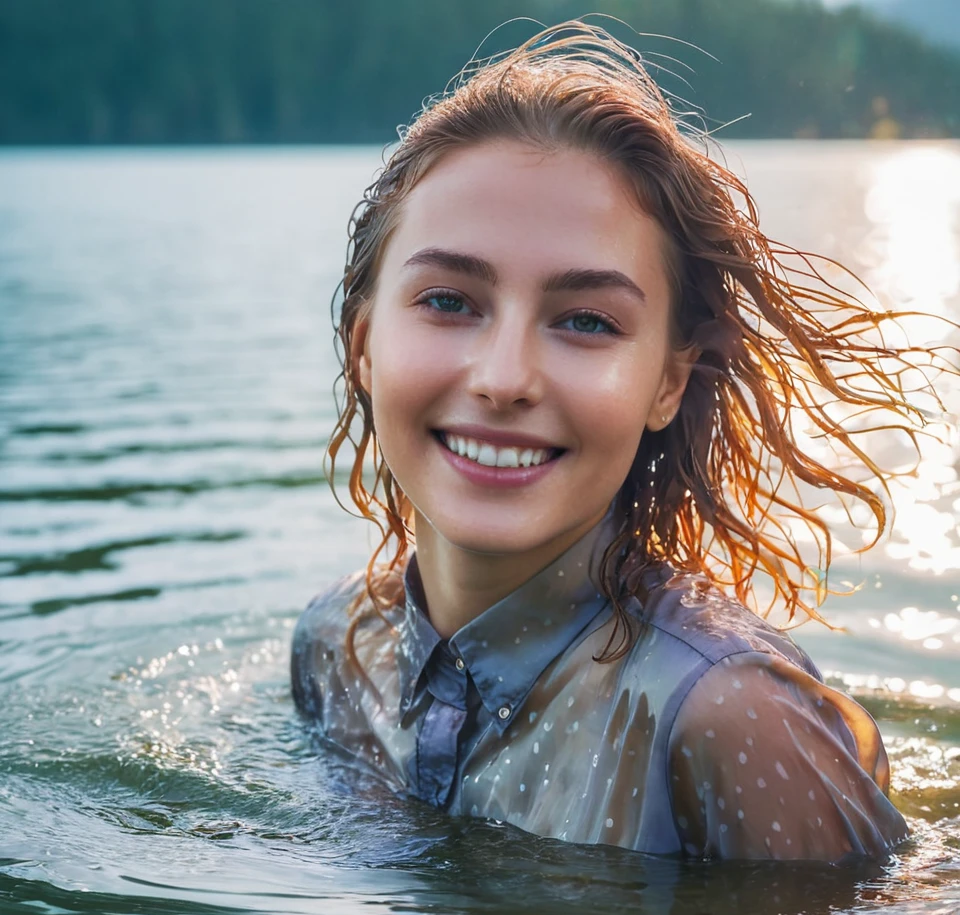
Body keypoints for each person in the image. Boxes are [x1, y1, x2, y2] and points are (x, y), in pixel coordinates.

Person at [291, 21, 952, 861]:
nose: (504, 377)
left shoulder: (730, 716)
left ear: (668, 382)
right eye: (450, 301)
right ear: (362, 346)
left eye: (587, 321)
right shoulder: (332, 652)